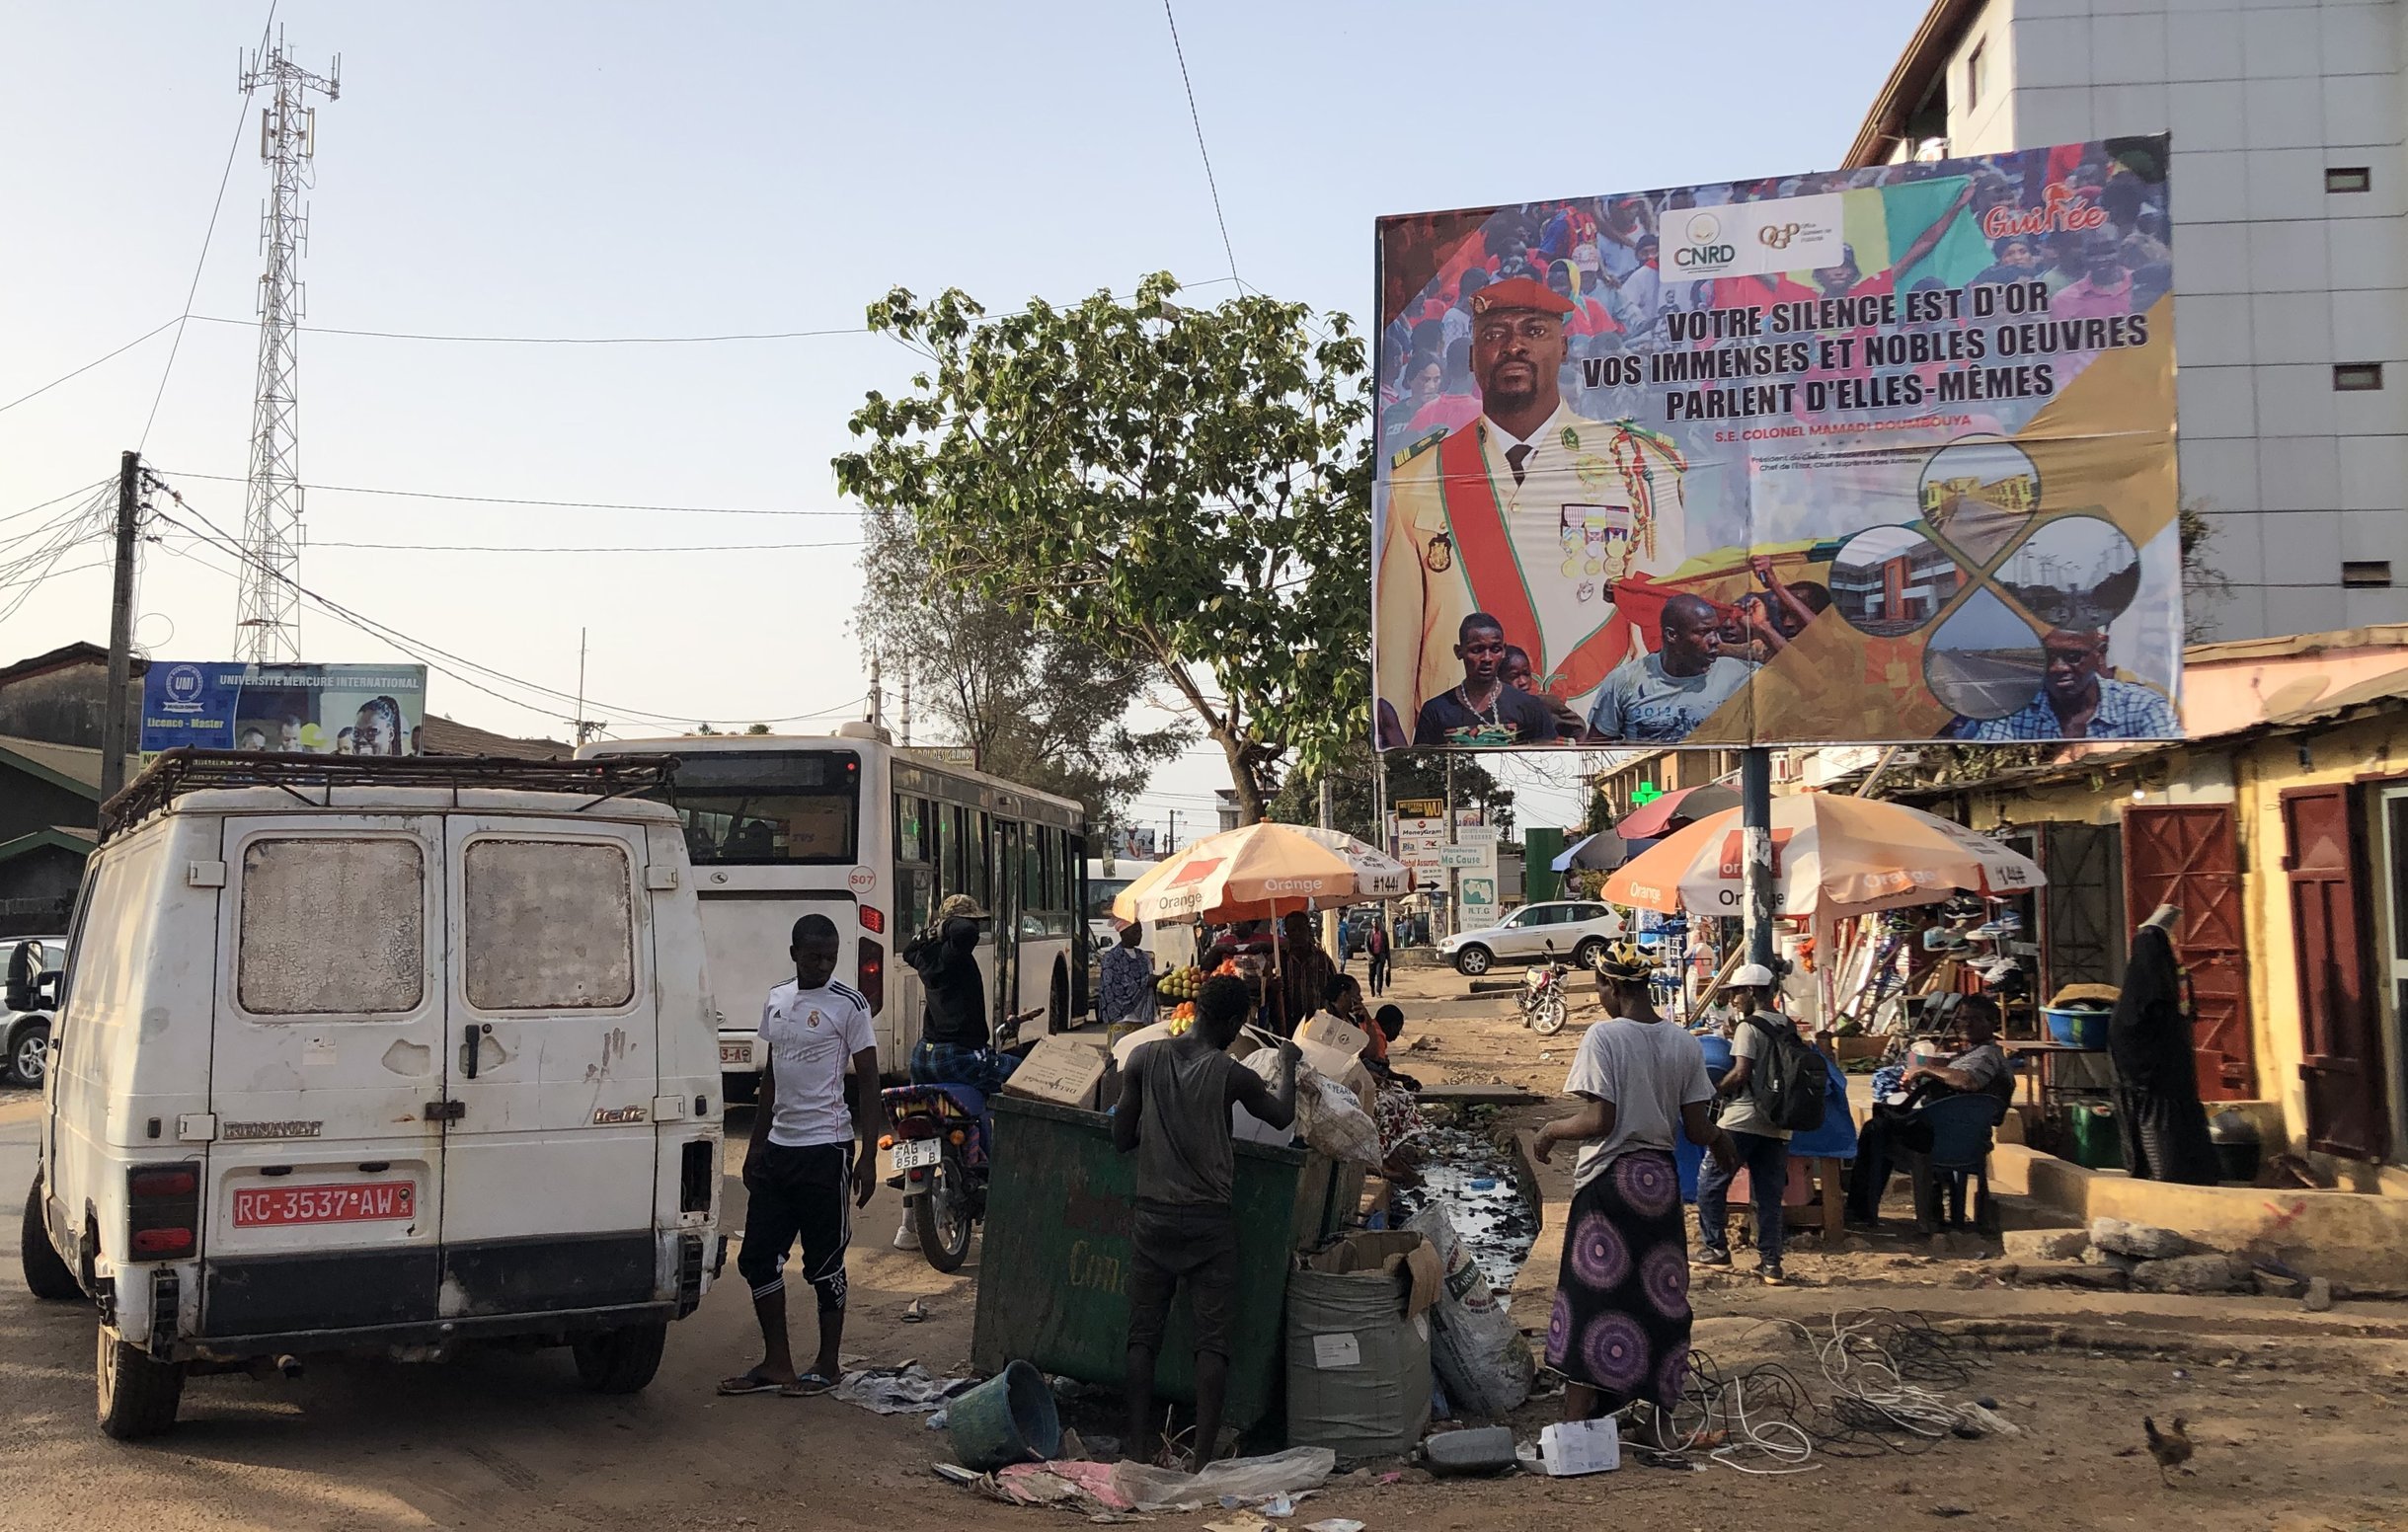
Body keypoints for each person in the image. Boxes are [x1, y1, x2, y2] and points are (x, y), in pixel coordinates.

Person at [1376, 274, 1691, 747]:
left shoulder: (1636, 464)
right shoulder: (1419, 475)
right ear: (1472, 357)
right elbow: (1397, 641)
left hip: (1595, 736)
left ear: (1563, 348)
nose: (1514, 346)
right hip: (1461, 744)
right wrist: (1402, 754)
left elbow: (1658, 622)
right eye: (1495, 334)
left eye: (1534, 331)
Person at [1532, 944, 1737, 1437]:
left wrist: (1551, 1130)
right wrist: (1724, 1146)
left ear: (1613, 986)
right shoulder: (1684, 1042)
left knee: (1590, 1297)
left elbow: (1600, 1120)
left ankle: (1574, 1422)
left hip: (1609, 1183)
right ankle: (1659, 1423)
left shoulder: (1603, 1036)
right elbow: (1697, 1129)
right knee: (1662, 1298)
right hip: (1658, 1185)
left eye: (1600, 987)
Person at [1114, 975, 1298, 1469]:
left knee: (1142, 1336)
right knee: (1211, 1343)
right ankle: (1200, 1461)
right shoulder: (1232, 1075)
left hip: (1152, 1216)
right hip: (1208, 1222)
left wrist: (1157, 1128)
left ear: (1195, 1009)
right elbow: (1281, 1117)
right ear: (1234, 1022)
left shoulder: (1143, 1059)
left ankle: (1137, 1447)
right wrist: (1288, 1064)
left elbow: (1120, 1137)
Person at [721, 914, 883, 1398]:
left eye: (831, 957)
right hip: (779, 1150)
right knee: (757, 1258)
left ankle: (828, 1364)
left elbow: (869, 1080)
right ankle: (777, 1363)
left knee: (824, 1261)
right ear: (794, 954)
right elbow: (772, 1074)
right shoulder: (777, 998)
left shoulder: (850, 1005)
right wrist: (756, 1144)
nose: (824, 965)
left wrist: (867, 1155)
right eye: (814, 957)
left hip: (826, 1149)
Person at [1845, 995, 2010, 1228]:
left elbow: (1967, 1081)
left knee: (1876, 1131)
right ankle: (1930, 1212)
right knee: (1885, 1121)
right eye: (1961, 1019)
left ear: (1992, 1023)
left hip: (1949, 1139)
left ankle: (1861, 1211)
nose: (1965, 1024)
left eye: (1973, 1019)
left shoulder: (1986, 1055)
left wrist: (1925, 1068)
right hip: (1953, 1134)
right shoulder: (1972, 1054)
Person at [1692, 963, 1797, 1283]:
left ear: (1752, 991)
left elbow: (1741, 1072)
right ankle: (1771, 1264)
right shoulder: (1788, 1025)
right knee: (1768, 1196)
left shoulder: (1748, 1028)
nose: (1734, 999)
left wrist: (1714, 1091)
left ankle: (1715, 1249)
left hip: (1743, 1119)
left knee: (1710, 1182)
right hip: (1779, 1124)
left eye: (1737, 992)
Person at [2108, 911, 2221, 1185]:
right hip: (2153, 1078)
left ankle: (2170, 1172)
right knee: (2160, 1126)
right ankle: (2165, 1171)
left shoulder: (2149, 993)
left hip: (2160, 1076)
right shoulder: (2155, 994)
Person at [1586, 594, 1758, 742]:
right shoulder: (1625, 680)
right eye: (1703, 632)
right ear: (1672, 635)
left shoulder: (1740, 674)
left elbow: (1778, 675)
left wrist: (1762, 627)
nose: (1714, 640)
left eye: (1715, 631)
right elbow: (1596, 746)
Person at [1954, 628, 2177, 741]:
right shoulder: (2013, 711)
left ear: (2099, 655)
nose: (2057, 668)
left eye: (2073, 656)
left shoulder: (2144, 706)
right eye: (2048, 657)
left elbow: (2171, 761)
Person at [1412, 613, 1564, 746]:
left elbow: (1547, 761)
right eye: (1477, 650)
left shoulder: (1529, 707)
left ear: (1503, 651)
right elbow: (1421, 765)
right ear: (1459, 652)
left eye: (1495, 650)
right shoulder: (1436, 711)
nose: (1487, 658)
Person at [1274, 911, 1336, 1037]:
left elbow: (1335, 990)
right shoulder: (1278, 960)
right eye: (1292, 930)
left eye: (1301, 929)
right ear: (1286, 932)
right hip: (1288, 1024)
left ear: (1308, 930)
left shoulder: (1322, 959)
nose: (1297, 934)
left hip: (1318, 1022)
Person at [1097, 922, 1156, 1030]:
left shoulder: (1143, 957)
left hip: (1143, 1021)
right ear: (1122, 933)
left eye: (1140, 932)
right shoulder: (1111, 958)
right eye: (1135, 932)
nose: (1139, 936)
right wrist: (1145, 982)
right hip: (1121, 1023)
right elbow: (1113, 990)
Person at [1364, 919, 1392, 997]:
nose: (1375, 923)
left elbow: (1387, 948)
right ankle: (1372, 988)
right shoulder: (1368, 934)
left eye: (1376, 922)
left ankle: (1378, 991)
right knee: (1371, 976)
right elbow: (1366, 946)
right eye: (1374, 922)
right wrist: (1370, 955)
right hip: (1372, 958)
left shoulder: (1384, 934)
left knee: (1380, 974)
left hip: (1381, 956)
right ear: (1371, 923)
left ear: (1379, 923)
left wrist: (1388, 960)